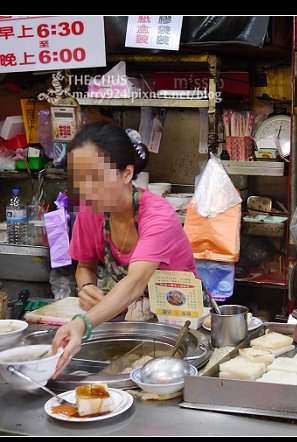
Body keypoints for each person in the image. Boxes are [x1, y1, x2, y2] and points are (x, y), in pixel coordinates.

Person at [51, 122, 200, 375]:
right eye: (78, 179)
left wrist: (83, 323)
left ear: (126, 174)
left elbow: (134, 282)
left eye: (95, 177)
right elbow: (85, 265)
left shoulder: (158, 215)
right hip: (120, 321)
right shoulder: (90, 210)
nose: (85, 189)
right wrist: (87, 287)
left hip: (178, 322)